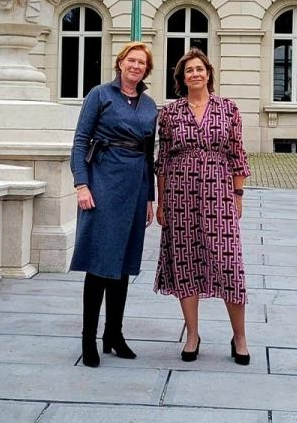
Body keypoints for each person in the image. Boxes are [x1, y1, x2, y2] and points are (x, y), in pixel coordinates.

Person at [154, 47, 252, 365]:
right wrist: (162, 202)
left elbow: (238, 153)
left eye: (200, 69)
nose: (195, 74)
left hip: (219, 192)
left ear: (209, 73)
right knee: (185, 263)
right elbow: (163, 162)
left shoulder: (228, 109)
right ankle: (193, 334)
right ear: (182, 79)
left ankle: (240, 336)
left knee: (229, 264)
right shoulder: (169, 114)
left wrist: (238, 195)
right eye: (189, 71)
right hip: (180, 197)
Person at [69, 42, 157, 368]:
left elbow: (150, 155)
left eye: (141, 63)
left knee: (122, 266)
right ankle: (88, 338)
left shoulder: (149, 106)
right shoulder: (100, 95)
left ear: (146, 70)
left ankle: (114, 335)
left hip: (135, 188)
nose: (135, 66)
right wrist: (81, 183)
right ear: (120, 63)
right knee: (99, 264)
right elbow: (80, 140)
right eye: (131, 61)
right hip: (102, 183)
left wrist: (150, 198)